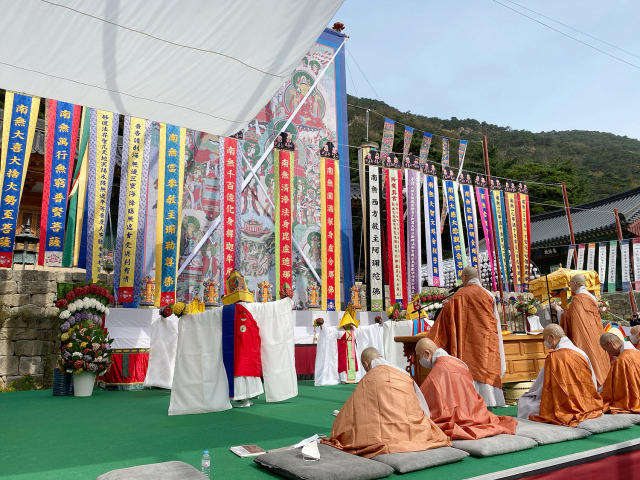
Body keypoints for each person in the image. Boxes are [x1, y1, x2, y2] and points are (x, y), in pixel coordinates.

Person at [321, 348, 450, 458]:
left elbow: (356, 408)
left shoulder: (369, 379)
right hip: (414, 429)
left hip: (385, 434)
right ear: (381, 357)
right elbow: (420, 402)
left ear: (366, 364)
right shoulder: (402, 373)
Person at [426, 266, 506, 406]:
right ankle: (493, 401)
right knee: (486, 365)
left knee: (471, 366)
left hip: (468, 340)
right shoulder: (489, 294)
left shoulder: (460, 295)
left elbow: (449, 317)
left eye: (462, 277)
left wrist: (446, 307)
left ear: (464, 277)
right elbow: (496, 320)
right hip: (487, 339)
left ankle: (472, 403)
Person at [415, 338, 517, 440]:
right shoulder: (458, 362)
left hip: (457, 416)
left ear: (427, 353)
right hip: (474, 410)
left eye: (419, 356)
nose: (419, 360)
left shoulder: (439, 369)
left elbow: (423, 398)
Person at [517, 324, 603, 426]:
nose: (545, 343)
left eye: (545, 339)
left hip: (563, 404)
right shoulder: (581, 353)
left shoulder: (554, 357)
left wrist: (530, 394)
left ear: (552, 337)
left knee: (525, 402)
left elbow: (540, 387)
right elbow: (592, 381)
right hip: (587, 403)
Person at [552, 274, 610, 386]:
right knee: (599, 355)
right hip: (596, 332)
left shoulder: (578, 299)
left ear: (574, 283)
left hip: (584, 334)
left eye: (570, 284)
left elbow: (573, 319)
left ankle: (593, 383)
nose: (569, 286)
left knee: (589, 355)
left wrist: (559, 311)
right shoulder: (590, 296)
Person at [599, 332, 640, 413]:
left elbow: (611, 388)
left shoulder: (621, 360)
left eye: (606, 349)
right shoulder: (637, 353)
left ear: (611, 343)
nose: (608, 353)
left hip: (632, 402)